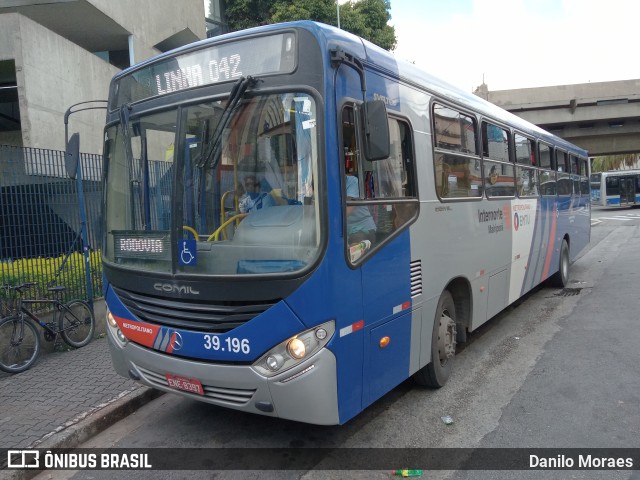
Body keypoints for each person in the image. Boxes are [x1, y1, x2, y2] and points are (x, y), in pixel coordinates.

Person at [345, 174, 376, 245]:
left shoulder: (353, 181)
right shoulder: (328, 187)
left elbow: (347, 211)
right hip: (345, 231)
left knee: (354, 251)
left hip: (363, 229)